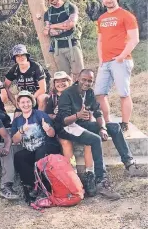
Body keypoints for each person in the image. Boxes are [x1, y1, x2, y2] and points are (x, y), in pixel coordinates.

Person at [55, 69, 140, 200]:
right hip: (67, 127)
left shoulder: (89, 93)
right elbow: (63, 120)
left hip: (82, 124)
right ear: (78, 78)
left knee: (115, 127)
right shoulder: (67, 93)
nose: (87, 83)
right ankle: (101, 181)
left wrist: (102, 128)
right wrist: (77, 115)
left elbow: (97, 112)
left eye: (90, 81)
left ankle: (129, 164)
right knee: (94, 139)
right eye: (84, 79)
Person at [94, 0, 140, 134]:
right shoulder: (101, 18)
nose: (108, 0)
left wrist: (121, 56)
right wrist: (100, 58)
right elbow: (100, 40)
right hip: (105, 62)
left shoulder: (126, 15)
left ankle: (125, 123)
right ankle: (107, 122)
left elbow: (134, 39)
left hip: (121, 60)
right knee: (99, 93)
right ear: (102, 0)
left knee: (123, 93)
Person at [44, 71, 95, 196]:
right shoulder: (53, 98)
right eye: (57, 81)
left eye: (64, 81)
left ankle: (90, 174)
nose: (61, 83)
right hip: (62, 128)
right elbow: (47, 114)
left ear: (69, 81)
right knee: (65, 142)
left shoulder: (79, 94)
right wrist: (57, 115)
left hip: (78, 126)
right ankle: (72, 175)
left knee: (90, 141)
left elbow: (90, 111)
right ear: (54, 84)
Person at [11, 90, 60, 203]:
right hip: (30, 149)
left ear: (32, 102)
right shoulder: (17, 121)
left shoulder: (40, 115)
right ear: (18, 104)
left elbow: (52, 134)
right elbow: (15, 141)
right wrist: (21, 130)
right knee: (19, 156)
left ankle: (44, 185)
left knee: (40, 152)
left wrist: (48, 129)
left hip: (47, 146)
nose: (25, 104)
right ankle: (31, 185)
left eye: (28, 101)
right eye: (22, 102)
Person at [43, 0, 84, 81]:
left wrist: (53, 26)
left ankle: (81, 95)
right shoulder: (48, 13)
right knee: (63, 77)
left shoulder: (70, 7)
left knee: (79, 75)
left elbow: (71, 24)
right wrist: (61, 26)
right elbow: (48, 32)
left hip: (72, 45)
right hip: (58, 48)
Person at [4, 44, 47, 111]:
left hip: (36, 98)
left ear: (26, 56)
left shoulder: (36, 67)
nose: (20, 57)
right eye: (17, 56)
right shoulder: (15, 69)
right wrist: (14, 102)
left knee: (42, 98)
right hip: (23, 100)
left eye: (22, 55)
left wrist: (31, 99)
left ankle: (40, 118)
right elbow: (5, 86)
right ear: (15, 58)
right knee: (17, 120)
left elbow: (43, 89)